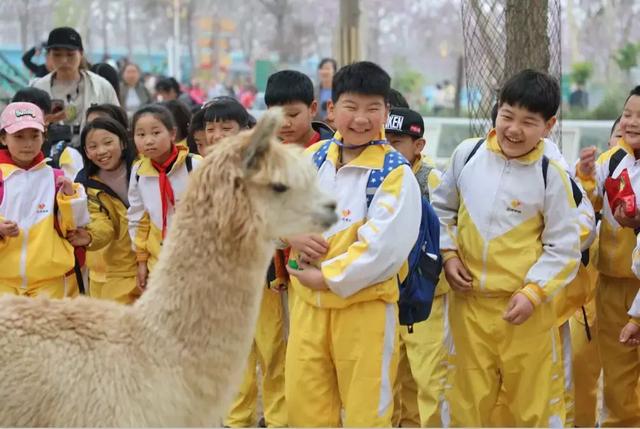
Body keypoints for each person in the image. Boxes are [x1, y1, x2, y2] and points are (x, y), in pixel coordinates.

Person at [432, 69, 582, 426]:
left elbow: (564, 247)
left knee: (535, 407)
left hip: (526, 312)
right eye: (507, 116)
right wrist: (449, 254)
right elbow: (439, 210)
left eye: (529, 122)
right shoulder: (466, 156)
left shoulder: (552, 175)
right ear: (496, 111)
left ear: (549, 126)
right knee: (463, 402)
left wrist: (532, 293)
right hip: (467, 309)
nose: (514, 129)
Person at [284, 61, 421, 427]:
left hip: (365, 313)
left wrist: (326, 276)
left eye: (372, 108)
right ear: (332, 109)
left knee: (367, 413)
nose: (361, 119)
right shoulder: (313, 159)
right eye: (351, 107)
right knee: (306, 409)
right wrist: (291, 234)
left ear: (386, 113)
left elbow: (385, 249)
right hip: (307, 311)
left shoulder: (394, 173)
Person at [577, 85, 640, 426]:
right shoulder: (610, 160)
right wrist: (586, 177)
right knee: (617, 377)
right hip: (613, 284)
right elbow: (588, 208)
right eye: (628, 114)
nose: (631, 123)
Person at [385, 107, 450, 427]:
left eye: (396, 142)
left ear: (419, 145)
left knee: (428, 377)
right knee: (391, 376)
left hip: (426, 296)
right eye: (383, 141)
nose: (387, 148)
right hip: (386, 293)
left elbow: (448, 234)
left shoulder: (432, 179)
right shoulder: (378, 177)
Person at [0, 101, 89, 298]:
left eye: (34, 136)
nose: (28, 143)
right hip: (3, 281)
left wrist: (70, 198)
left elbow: (76, 226)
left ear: (44, 136)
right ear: (3, 138)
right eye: (19, 136)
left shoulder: (57, 177)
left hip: (50, 282)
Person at [127, 105, 201, 290]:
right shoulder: (138, 171)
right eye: (141, 134)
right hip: (158, 261)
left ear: (172, 133)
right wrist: (141, 261)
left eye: (156, 132)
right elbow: (138, 217)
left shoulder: (195, 165)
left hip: (196, 262)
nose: (149, 141)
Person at [69, 117, 139, 304]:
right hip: (115, 274)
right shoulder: (85, 184)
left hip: (153, 265)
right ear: (86, 152)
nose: (102, 151)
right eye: (93, 146)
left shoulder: (144, 169)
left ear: (123, 142)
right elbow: (101, 224)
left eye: (108, 143)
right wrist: (90, 237)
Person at [31, 27, 120, 147]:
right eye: (57, 55)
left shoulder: (101, 86)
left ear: (81, 54)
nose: (64, 60)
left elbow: (118, 124)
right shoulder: (37, 88)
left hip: (94, 155)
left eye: (70, 55)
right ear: (49, 56)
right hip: (49, 156)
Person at [11, 86, 84, 180]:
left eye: (33, 115)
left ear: (48, 119)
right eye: (20, 114)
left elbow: (75, 191)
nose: (26, 121)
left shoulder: (65, 154)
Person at [265, 70, 333, 147]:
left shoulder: (334, 151)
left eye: (293, 114)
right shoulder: (268, 154)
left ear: (312, 109)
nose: (285, 124)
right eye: (277, 115)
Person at [314, 58, 337, 122]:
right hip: (318, 126)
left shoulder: (340, 90)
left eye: (327, 68)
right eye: (322, 68)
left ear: (334, 71)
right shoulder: (313, 90)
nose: (324, 71)